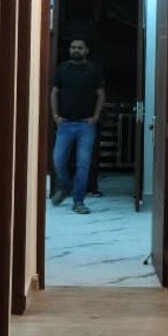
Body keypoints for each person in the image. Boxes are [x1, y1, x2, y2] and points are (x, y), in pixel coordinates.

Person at [50, 38, 105, 214]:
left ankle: (78, 201)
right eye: (73, 47)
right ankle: (65, 186)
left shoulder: (93, 69)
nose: (76, 50)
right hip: (65, 124)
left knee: (83, 164)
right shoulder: (62, 68)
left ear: (86, 50)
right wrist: (55, 115)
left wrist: (95, 116)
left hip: (85, 125)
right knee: (58, 160)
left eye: (80, 48)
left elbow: (100, 94)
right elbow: (54, 93)